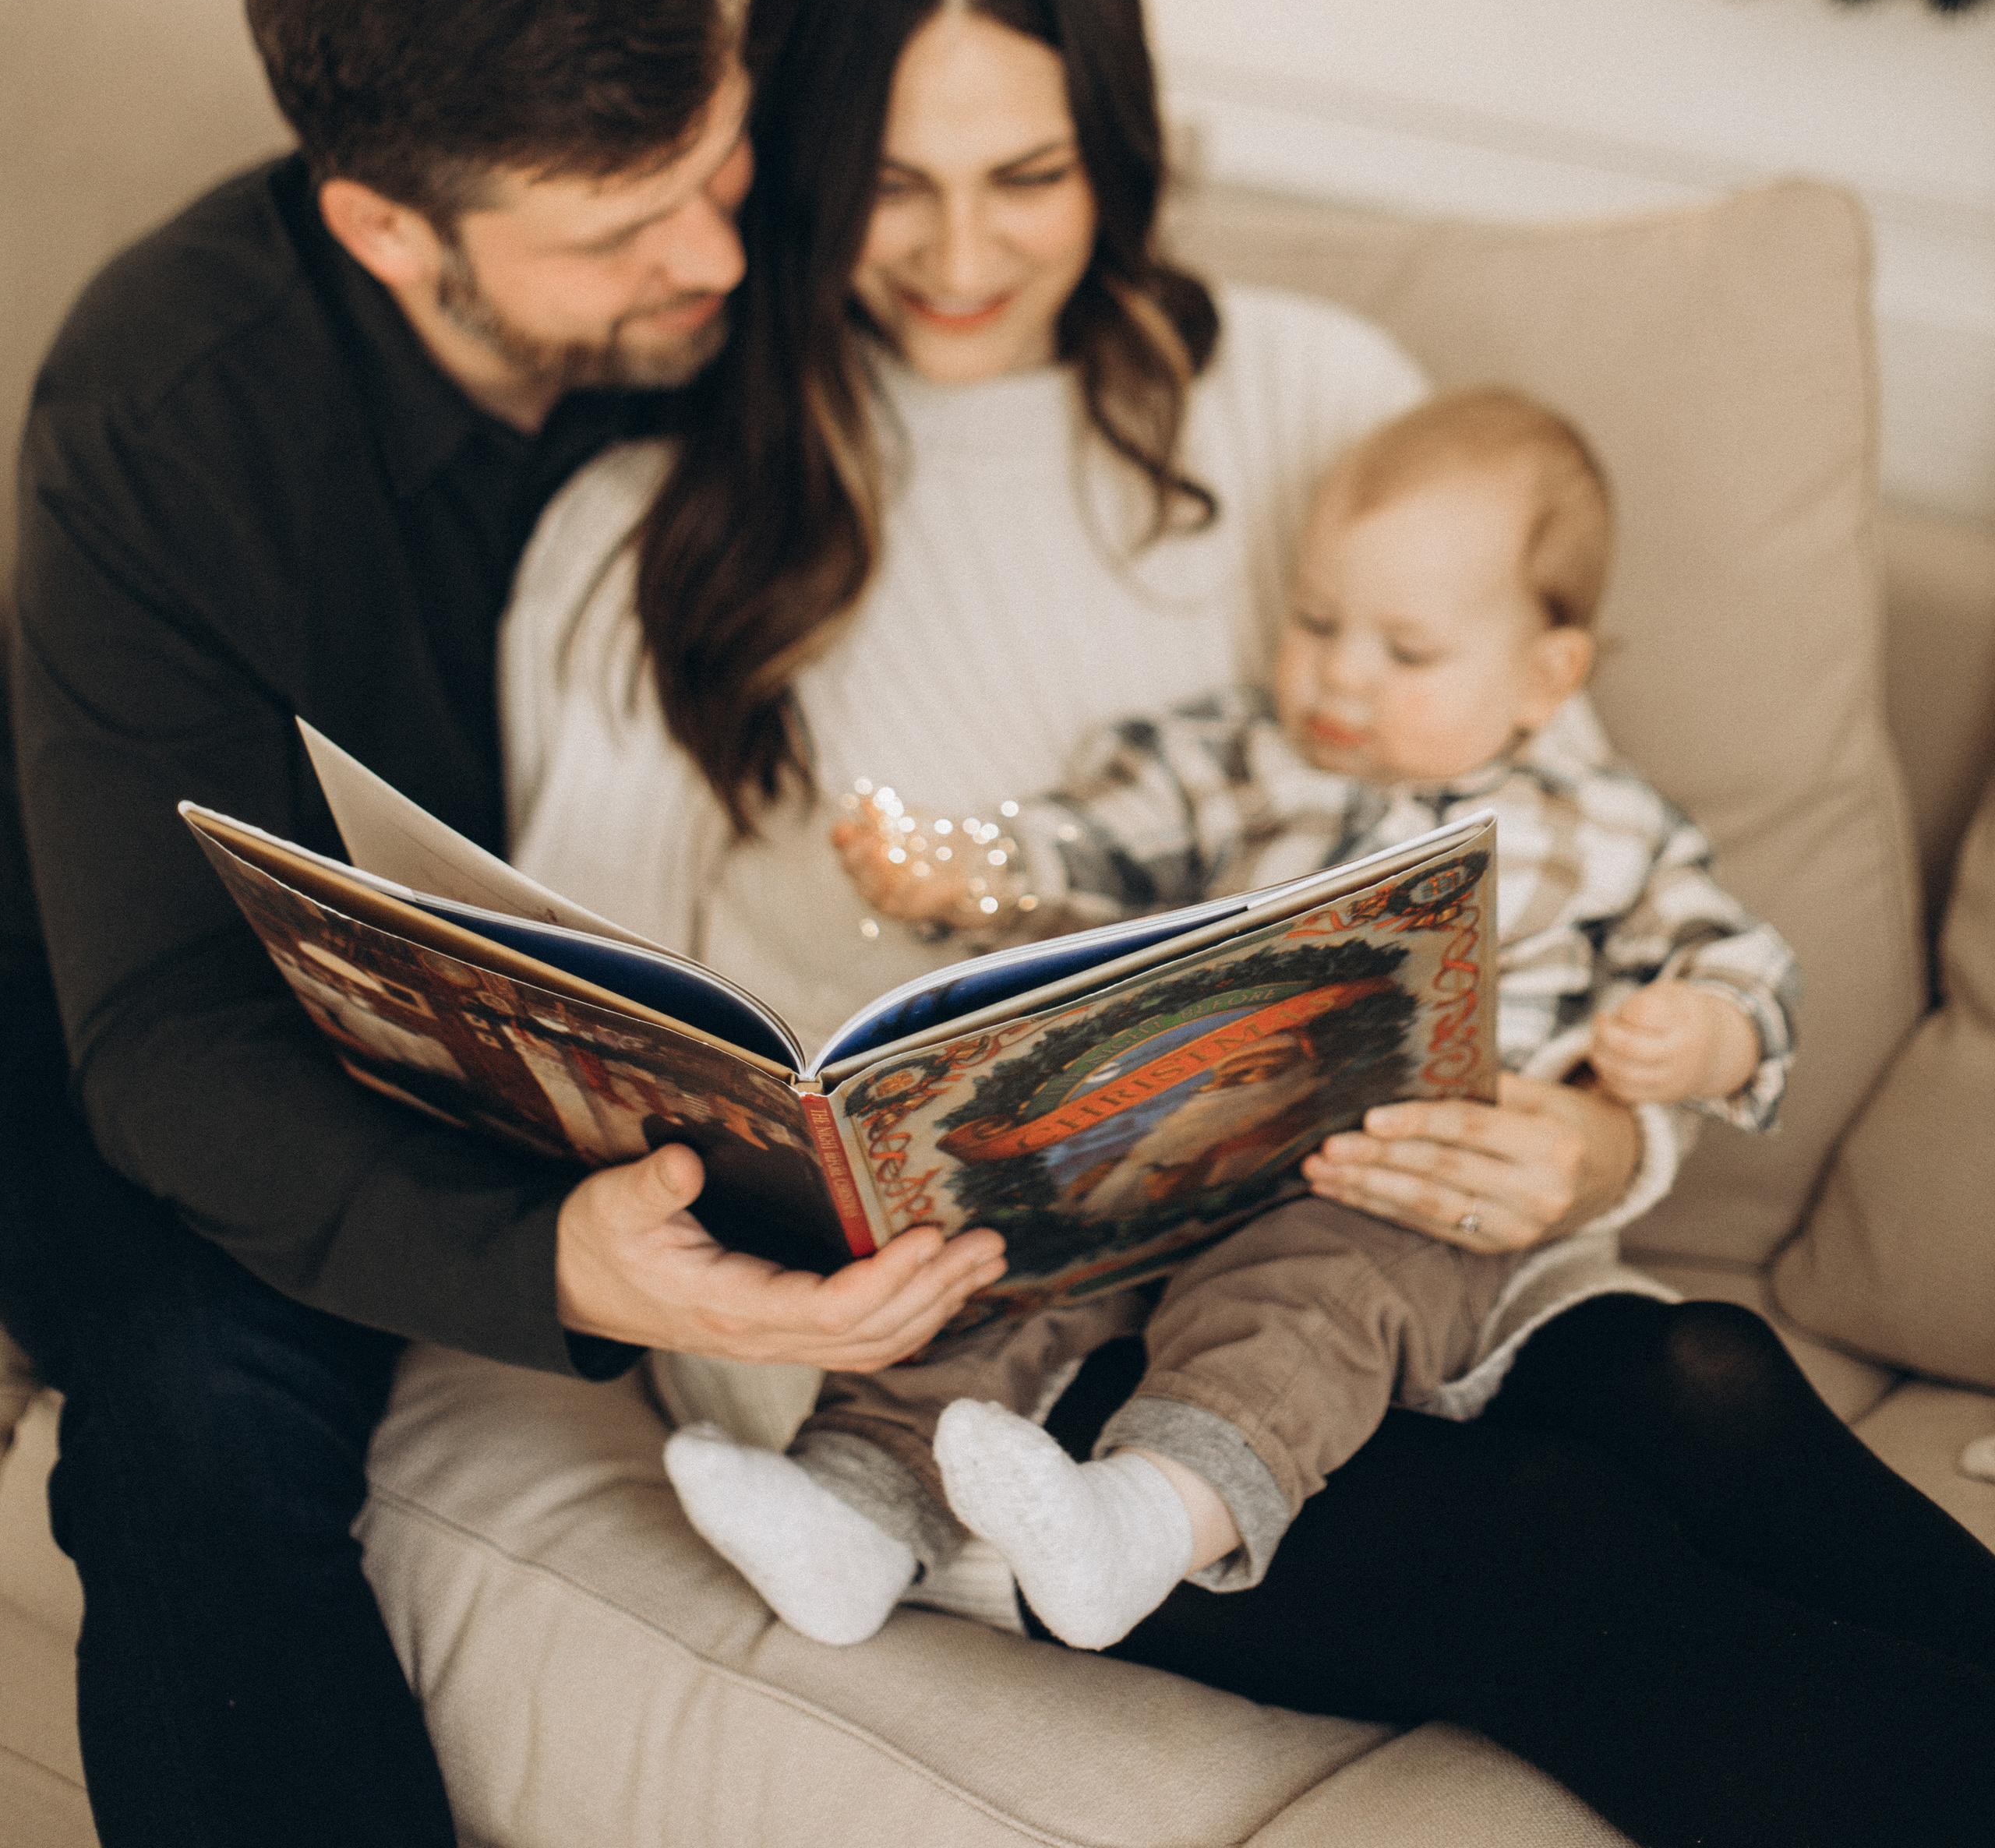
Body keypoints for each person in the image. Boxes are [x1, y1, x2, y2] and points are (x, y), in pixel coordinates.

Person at [497, 0, 1995, 1848]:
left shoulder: (1310, 400)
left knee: (1706, 1381)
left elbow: (1551, 861)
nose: (959, 254)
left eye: (1027, 174)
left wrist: (1596, 1134)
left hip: (1367, 1246)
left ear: (1120, 141)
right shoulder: (638, 552)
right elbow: (578, 1059)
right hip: (981, 1357)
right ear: (787, 168)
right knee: (1541, 1544)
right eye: (890, 185)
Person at [3, 0, 1001, 1848]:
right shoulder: (166, 412)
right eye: (624, 227)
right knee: (189, 1423)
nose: (718, 254)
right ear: (387, 227)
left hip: (637, 1016)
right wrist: (552, 1260)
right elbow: (163, 1042)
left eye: (720, 167)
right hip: (196, 1002)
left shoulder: (748, 306)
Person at [666, 386, 1803, 1651]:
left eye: (1407, 652)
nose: (1341, 676)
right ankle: (856, 1509)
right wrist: (966, 872)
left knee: (1304, 1297)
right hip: (1170, 1148)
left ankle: (1151, 1518)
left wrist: (1705, 1034)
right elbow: (1082, 846)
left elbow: (1738, 959)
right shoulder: (1230, 762)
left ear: (1549, 676)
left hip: (1405, 1195)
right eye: (1315, 623)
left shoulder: (1606, 826)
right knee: (988, 1265)